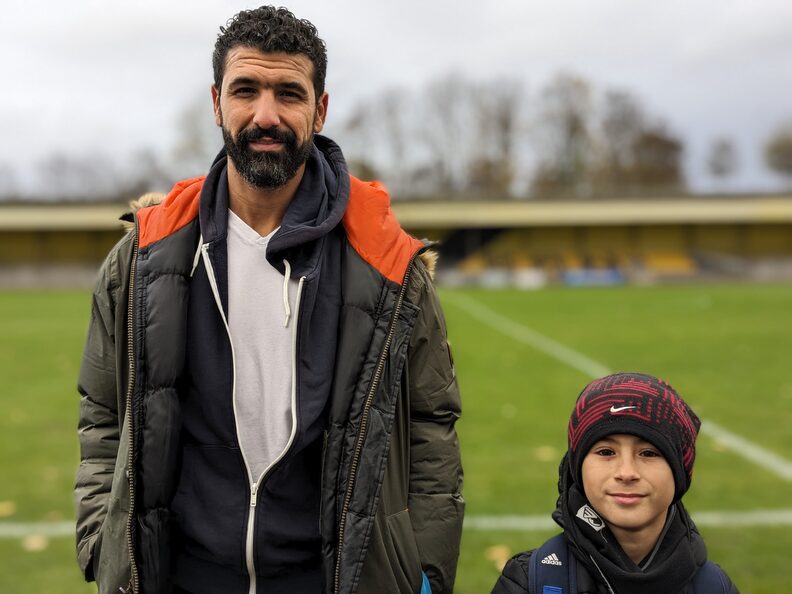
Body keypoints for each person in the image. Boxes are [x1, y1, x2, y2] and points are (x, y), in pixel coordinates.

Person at [74, 6, 463, 594]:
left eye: (288, 93)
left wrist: (423, 571)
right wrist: (102, 541)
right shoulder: (143, 259)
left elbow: (431, 428)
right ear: (216, 103)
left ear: (320, 109)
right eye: (245, 90)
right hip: (182, 578)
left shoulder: (388, 268)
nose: (265, 115)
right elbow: (102, 413)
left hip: (330, 579)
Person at [491, 372, 739, 594]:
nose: (627, 472)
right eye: (606, 452)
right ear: (577, 468)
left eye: (649, 453)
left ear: (681, 471)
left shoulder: (714, 587)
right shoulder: (531, 582)